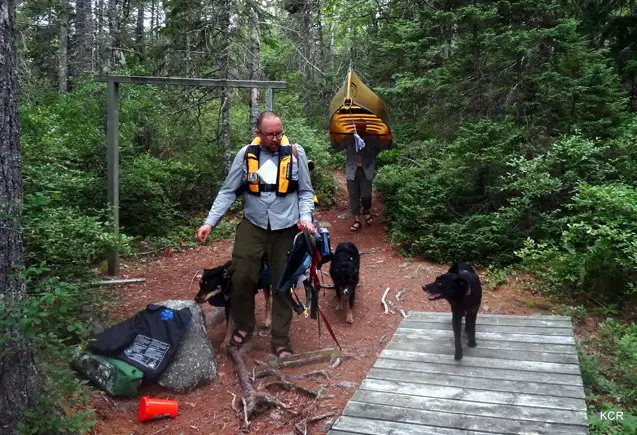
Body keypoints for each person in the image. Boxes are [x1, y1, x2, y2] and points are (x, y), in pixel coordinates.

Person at [196, 111, 315, 358]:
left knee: (283, 283)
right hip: (253, 224)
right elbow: (228, 191)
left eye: (278, 133)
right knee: (240, 277)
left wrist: (305, 219)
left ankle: (280, 340)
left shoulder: (295, 153)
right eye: (270, 134)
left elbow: (305, 191)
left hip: (286, 226)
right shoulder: (245, 155)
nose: (275, 138)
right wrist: (210, 222)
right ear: (258, 133)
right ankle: (244, 326)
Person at [342, 123, 378, 232]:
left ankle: (366, 210)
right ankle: (357, 220)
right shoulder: (349, 139)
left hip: (365, 171)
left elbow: (376, 152)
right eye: (359, 128)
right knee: (353, 195)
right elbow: (337, 146)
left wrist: (366, 144)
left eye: (363, 128)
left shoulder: (371, 140)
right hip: (352, 172)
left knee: (366, 196)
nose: (361, 130)